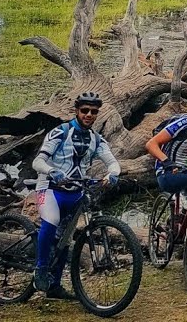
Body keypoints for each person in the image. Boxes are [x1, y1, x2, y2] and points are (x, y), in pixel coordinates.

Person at [31, 92, 121, 299]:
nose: (89, 115)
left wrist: (113, 174)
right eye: (85, 110)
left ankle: (54, 286)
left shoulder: (96, 139)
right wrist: (52, 171)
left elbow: (113, 162)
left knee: (65, 239)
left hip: (75, 192)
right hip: (50, 188)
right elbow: (37, 162)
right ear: (77, 111)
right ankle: (41, 268)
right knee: (51, 221)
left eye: (94, 112)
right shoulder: (60, 132)